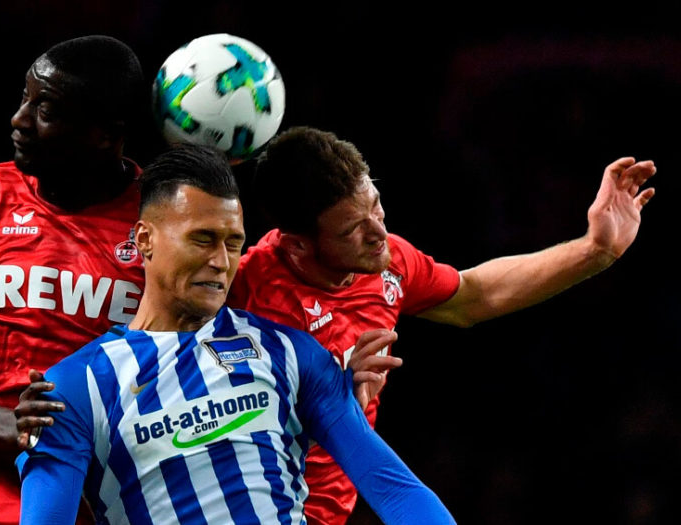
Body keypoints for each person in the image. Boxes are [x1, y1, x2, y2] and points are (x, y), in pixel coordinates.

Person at [225, 125, 657, 524]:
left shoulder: (388, 262)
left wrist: (594, 251)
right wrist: (331, 400)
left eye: (375, 205)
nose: (379, 234)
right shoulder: (244, 296)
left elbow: (474, 296)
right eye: (353, 229)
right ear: (298, 245)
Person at [16, 143, 457, 525]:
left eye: (233, 243)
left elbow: (396, 491)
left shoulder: (293, 354)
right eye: (202, 239)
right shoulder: (73, 388)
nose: (221, 261)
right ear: (145, 239)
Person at [0, 35, 148, 525]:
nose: (19, 120)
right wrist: (18, 427)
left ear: (105, 135)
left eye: (47, 110)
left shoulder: (163, 221)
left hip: (127, 491)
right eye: (25, 98)